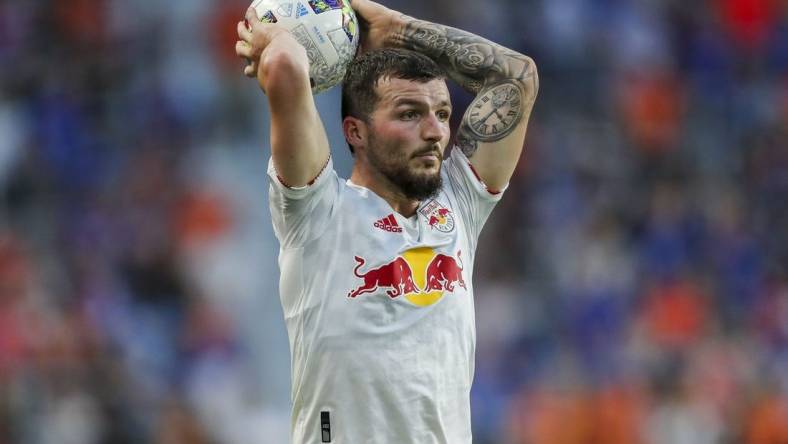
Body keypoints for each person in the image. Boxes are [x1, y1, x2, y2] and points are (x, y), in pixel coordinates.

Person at [235, 0, 537, 442]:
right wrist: (278, 34)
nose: (434, 131)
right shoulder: (317, 211)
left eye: (442, 114)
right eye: (409, 114)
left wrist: (400, 29)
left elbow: (517, 77)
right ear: (355, 131)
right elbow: (283, 64)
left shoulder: (457, 207)